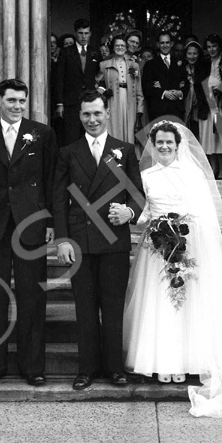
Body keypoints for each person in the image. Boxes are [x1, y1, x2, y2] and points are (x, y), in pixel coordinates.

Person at [123, 121, 222, 418]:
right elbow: (144, 212)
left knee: (188, 304)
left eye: (169, 143)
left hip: (188, 245)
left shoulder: (192, 175)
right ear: (152, 145)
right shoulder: (145, 176)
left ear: (178, 146)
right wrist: (151, 225)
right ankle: (163, 362)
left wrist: (185, 239)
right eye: (159, 143)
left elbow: (203, 215)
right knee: (160, 302)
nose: (164, 147)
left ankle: (187, 362)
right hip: (157, 248)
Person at [0, 78, 58, 387]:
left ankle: (32, 367)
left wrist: (51, 223)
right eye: (11, 101)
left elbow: (51, 182)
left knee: (32, 297)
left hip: (31, 225)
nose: (17, 106)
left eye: (21, 101)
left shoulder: (42, 134)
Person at [53, 90, 144, 390]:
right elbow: (58, 199)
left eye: (97, 113)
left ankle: (115, 368)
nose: (92, 119)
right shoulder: (68, 152)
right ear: (79, 116)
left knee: (113, 305)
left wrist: (129, 212)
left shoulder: (125, 151)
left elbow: (138, 196)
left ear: (107, 113)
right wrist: (62, 240)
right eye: (86, 114)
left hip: (113, 240)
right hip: (80, 240)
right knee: (86, 306)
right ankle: (86, 368)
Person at [55, 19, 100, 145]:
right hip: (71, 102)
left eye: (86, 33)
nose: (84, 36)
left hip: (90, 101)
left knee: (90, 137)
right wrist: (60, 103)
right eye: (81, 33)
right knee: (71, 137)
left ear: (90, 33)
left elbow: (101, 75)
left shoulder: (95, 52)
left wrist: (99, 91)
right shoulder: (66, 52)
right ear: (76, 33)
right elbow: (59, 78)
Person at [97, 34, 144, 143]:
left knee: (130, 132)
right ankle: (114, 159)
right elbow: (98, 85)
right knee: (113, 129)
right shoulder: (104, 65)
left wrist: (140, 109)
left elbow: (138, 89)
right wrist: (104, 93)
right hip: (112, 101)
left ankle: (128, 159)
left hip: (129, 102)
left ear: (126, 47)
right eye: (117, 45)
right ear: (113, 48)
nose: (120, 47)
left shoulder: (134, 65)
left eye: (122, 45)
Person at [201, 34, 222, 178]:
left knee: (220, 134)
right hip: (207, 102)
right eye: (209, 47)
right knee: (208, 136)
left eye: (214, 46)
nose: (212, 49)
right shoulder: (205, 63)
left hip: (220, 102)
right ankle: (213, 167)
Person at [142, 32, 186, 120]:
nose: (165, 45)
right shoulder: (150, 64)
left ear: (172, 44)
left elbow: (186, 83)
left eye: (167, 42)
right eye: (162, 43)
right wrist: (164, 93)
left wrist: (180, 93)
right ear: (158, 44)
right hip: (158, 110)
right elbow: (146, 86)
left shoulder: (180, 62)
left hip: (176, 109)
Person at [181, 40, 209, 140]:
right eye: (189, 53)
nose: (192, 56)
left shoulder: (204, 70)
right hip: (185, 109)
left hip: (200, 109)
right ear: (185, 55)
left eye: (195, 53)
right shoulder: (181, 69)